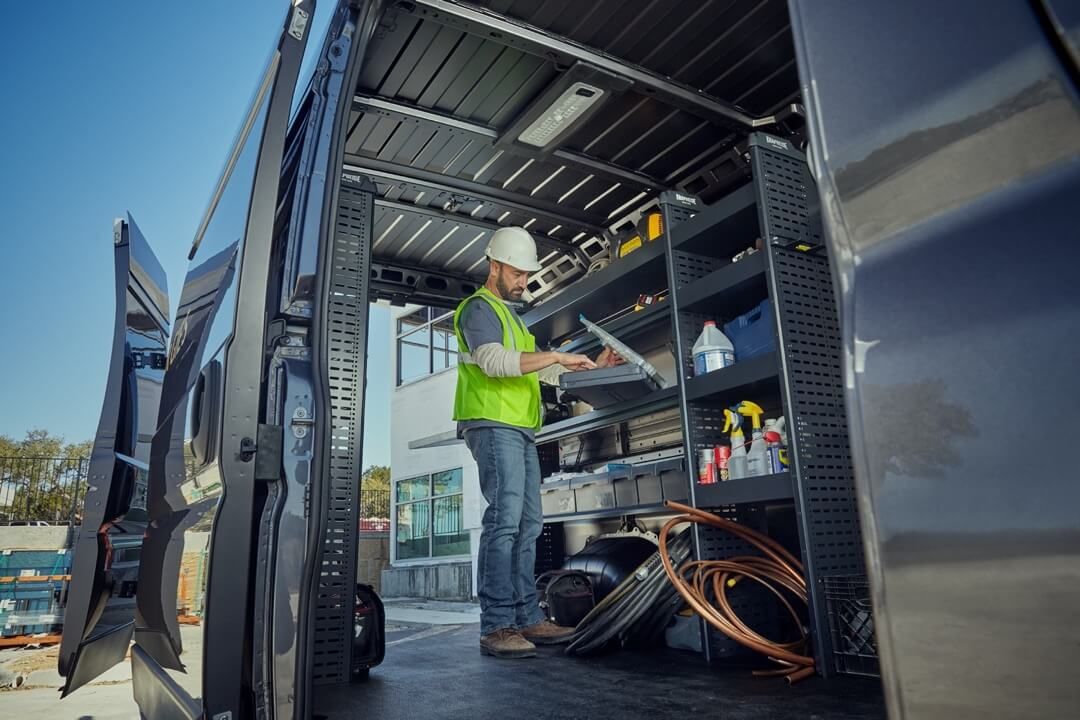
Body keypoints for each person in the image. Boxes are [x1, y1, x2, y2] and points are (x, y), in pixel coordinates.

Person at [453, 226, 622, 659]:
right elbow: (494, 363)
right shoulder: (479, 309)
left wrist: (586, 368)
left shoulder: (512, 318)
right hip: (492, 424)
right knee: (505, 522)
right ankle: (496, 625)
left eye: (527, 274)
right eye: (518, 272)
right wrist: (556, 355)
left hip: (520, 429)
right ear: (495, 266)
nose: (524, 280)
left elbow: (538, 371)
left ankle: (527, 617)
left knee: (528, 526)